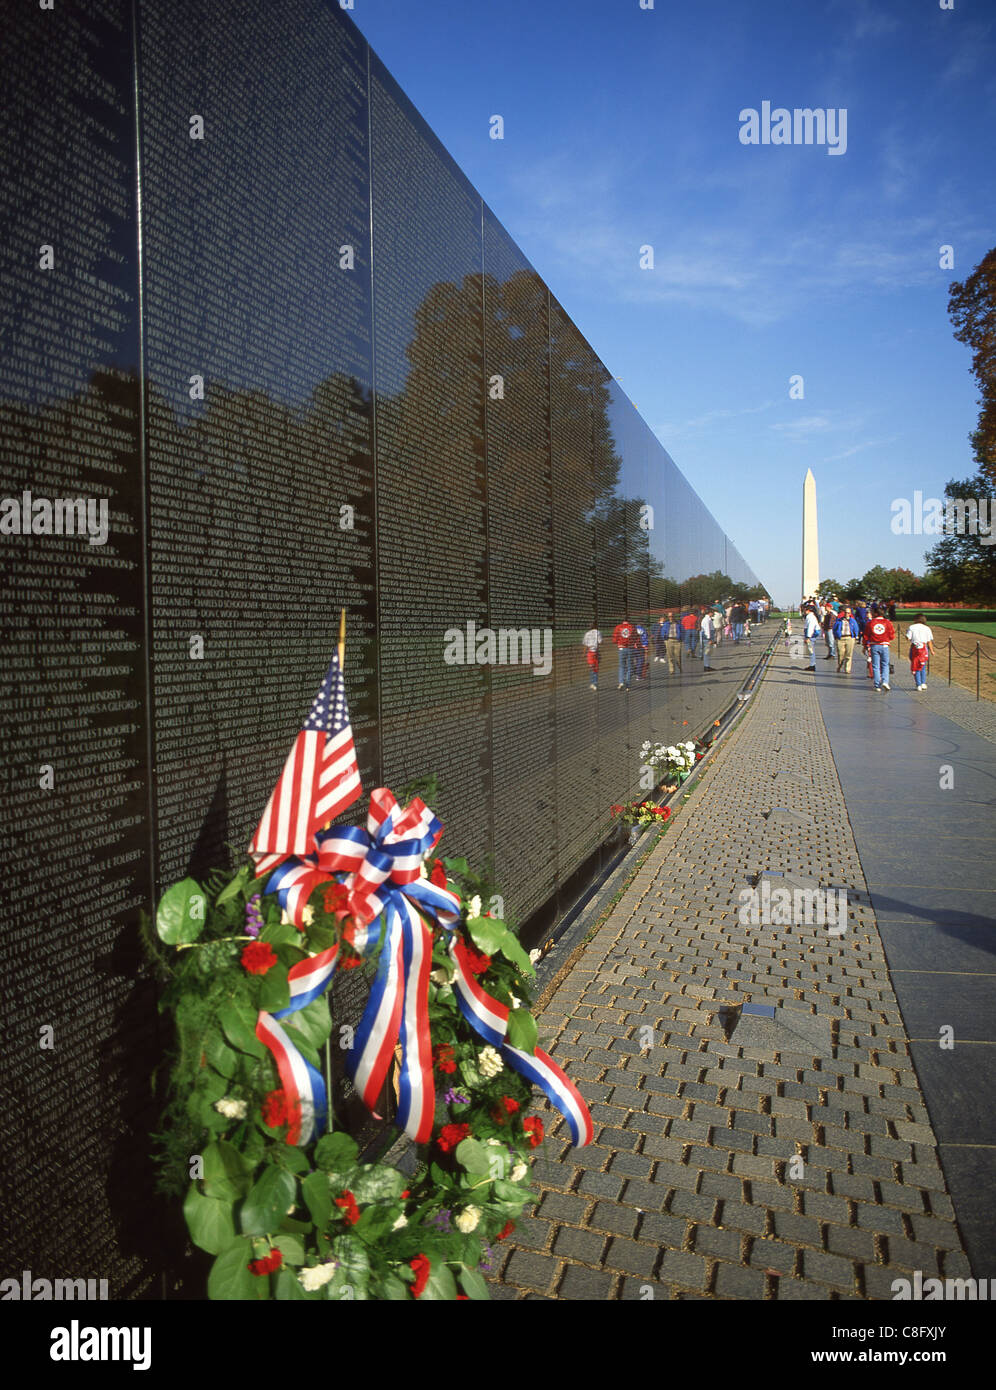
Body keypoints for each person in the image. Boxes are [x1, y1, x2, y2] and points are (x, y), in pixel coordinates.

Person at [863, 604, 895, 691]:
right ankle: (885, 681)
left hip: (874, 645)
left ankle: (877, 684)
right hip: (884, 645)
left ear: (875, 613)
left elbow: (866, 635)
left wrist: (865, 645)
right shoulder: (888, 623)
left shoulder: (870, 623)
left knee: (875, 665)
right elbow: (892, 635)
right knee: (885, 664)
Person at [906, 612, 934, 692]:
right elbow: (929, 641)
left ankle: (918, 684)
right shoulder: (927, 628)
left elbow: (908, 638)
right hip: (924, 648)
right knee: (922, 666)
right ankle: (923, 683)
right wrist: (932, 650)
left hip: (915, 647)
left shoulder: (911, 627)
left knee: (915, 666)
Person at [612, 613, 639, 690]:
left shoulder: (618, 627)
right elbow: (636, 637)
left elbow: (614, 639)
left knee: (622, 666)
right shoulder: (632, 627)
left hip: (621, 648)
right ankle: (628, 685)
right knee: (630, 667)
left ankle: (621, 682)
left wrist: (618, 642)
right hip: (630, 648)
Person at [833, 605, 859, 673]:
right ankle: (839, 665)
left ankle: (847, 669)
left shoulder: (852, 621)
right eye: (845, 612)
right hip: (841, 638)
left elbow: (856, 628)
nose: (847, 614)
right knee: (840, 654)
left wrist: (856, 636)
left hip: (849, 638)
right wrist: (836, 635)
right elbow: (835, 629)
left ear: (850, 613)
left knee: (848, 655)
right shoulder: (839, 620)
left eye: (848, 613)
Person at [582, 624, 601, 690]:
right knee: (595, 668)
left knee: (592, 668)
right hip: (596, 652)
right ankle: (594, 683)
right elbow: (600, 642)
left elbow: (585, 645)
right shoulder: (598, 632)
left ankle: (593, 683)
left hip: (590, 652)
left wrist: (584, 653)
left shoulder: (587, 633)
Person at [803, 604, 821, 671]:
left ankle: (812, 665)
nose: (804, 611)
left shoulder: (810, 617)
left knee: (811, 651)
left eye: (805, 609)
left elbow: (810, 627)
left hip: (811, 636)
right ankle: (812, 664)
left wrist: (808, 637)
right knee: (811, 650)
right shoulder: (811, 616)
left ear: (809, 610)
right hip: (812, 635)